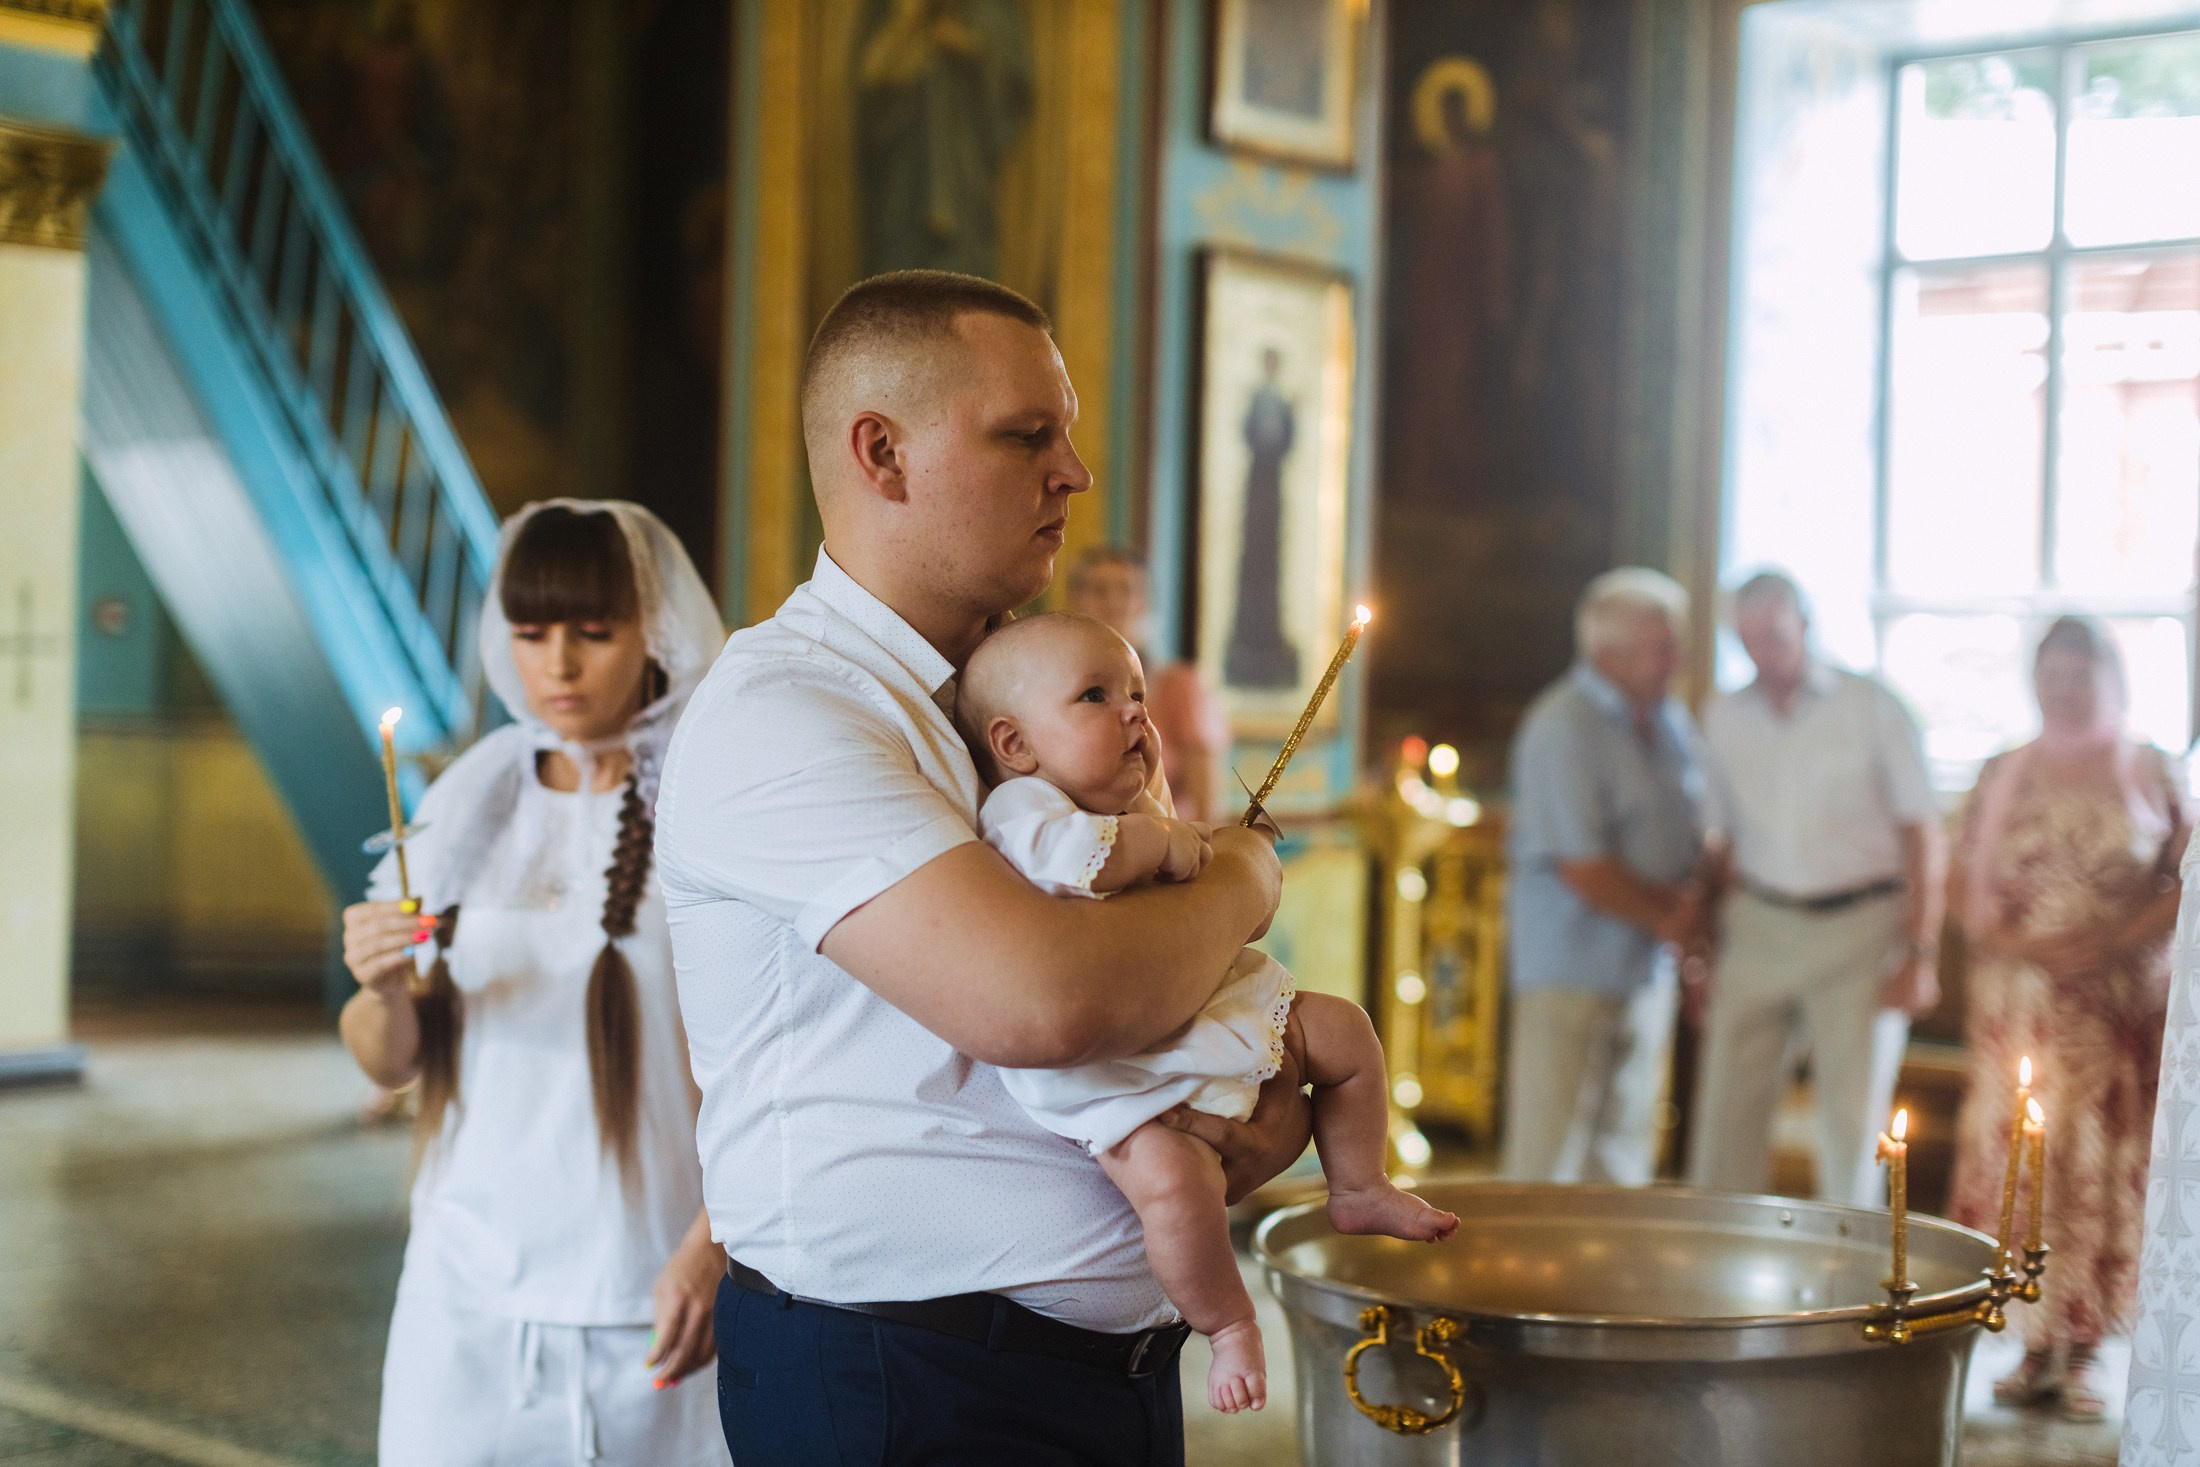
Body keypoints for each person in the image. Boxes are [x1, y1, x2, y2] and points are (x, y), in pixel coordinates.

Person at [657, 270, 1313, 1467]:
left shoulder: (1050, 692)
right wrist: (1249, 877)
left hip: (1101, 1371)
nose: (1075, 472)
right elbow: (1050, 1000)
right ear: (882, 455)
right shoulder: (787, 708)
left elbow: (1147, 970)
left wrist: (1235, 1113)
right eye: (1028, 437)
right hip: (904, 1384)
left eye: (1063, 434)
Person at [955, 611, 1457, 1413]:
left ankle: (1359, 1181)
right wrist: (1161, 847)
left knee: (1346, 1031)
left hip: (1207, 1011)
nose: (1134, 714)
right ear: (1015, 745)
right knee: (1172, 1187)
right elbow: (1085, 865)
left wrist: (1197, 841)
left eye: (1137, 694)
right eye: (1096, 696)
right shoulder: (1023, 811)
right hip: (1129, 1080)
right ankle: (1227, 1322)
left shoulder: (1140, 803)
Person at [338, 501, 728, 1466]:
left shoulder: (713, 798)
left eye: (594, 633)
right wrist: (381, 989)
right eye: (530, 633)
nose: (557, 664)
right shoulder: (472, 797)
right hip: (464, 1280)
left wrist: (712, 1248)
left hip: (654, 1286)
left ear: (657, 631)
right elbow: (393, 1058)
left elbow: (782, 1057)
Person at [1945, 617, 2188, 1422]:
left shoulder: (2152, 767)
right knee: (2023, 1167)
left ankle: (2082, 1349)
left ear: (2110, 677)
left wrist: (2111, 940)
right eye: (2051, 672)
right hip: (2022, 1002)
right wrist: (2021, 941)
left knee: (2094, 1175)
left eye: (2080, 673)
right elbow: (1960, 879)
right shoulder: (2002, 770)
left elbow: (2184, 878)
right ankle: (2026, 1340)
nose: (2065, 687)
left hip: (2114, 1008)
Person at [1684, 571, 1943, 1206]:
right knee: (1726, 1112)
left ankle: (1850, 1282)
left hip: (1860, 925)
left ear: (1804, 625)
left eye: (1773, 636)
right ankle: (1714, 1265)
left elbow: (1922, 833)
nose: (1762, 654)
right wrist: (1697, 947)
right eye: (1747, 641)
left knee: (1852, 1121)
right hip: (1760, 921)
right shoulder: (1723, 715)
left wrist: (1920, 950)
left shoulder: (1870, 706)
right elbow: (1717, 843)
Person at [1503, 567, 1704, 1184]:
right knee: (1550, 1152)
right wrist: (1677, 919)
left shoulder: (1670, 721)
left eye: (1675, 643)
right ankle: (1527, 1278)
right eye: (1660, 646)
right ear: (1605, 652)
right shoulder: (1562, 725)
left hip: (1644, 966)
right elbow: (1583, 867)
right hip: (1569, 967)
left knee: (1623, 1147)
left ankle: (1607, 1277)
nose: (1677, 659)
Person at [1066, 545, 1231, 824]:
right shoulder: (1059, 686)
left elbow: (1207, 810)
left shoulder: (1181, 686)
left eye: (1126, 590)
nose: (1113, 603)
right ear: (1076, 600)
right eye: (1099, 590)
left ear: (1145, 601)